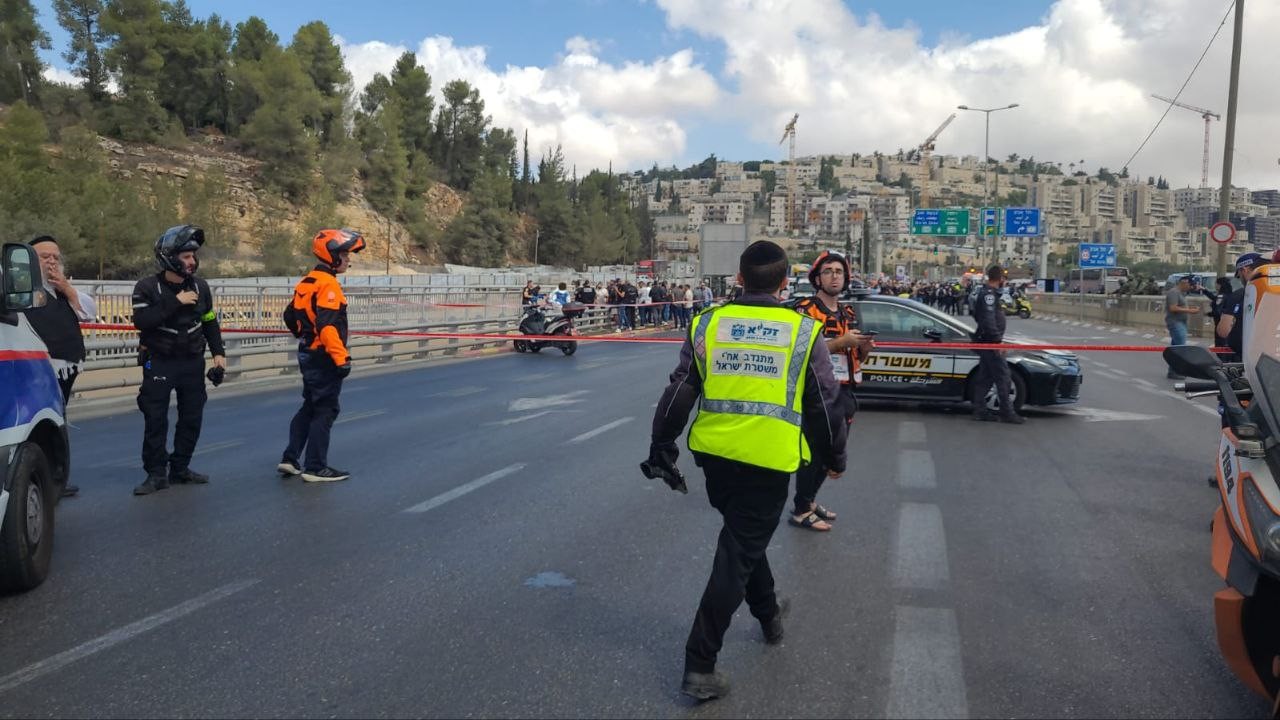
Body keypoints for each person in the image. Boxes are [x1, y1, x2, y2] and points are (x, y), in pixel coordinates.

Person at [644, 240, 848, 701]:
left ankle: (769, 615)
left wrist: (662, 445)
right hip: (768, 462)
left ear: (739, 278)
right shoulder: (803, 332)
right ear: (784, 283)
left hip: (716, 460)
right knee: (735, 556)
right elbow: (825, 406)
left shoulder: (708, 323)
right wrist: (835, 458)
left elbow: (680, 389)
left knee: (743, 540)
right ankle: (700, 664)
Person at [131, 225, 226, 496]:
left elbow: (209, 321)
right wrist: (176, 301)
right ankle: (156, 474)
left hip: (192, 362)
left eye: (193, 256)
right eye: (186, 256)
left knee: (192, 417)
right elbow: (142, 321)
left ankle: (180, 468)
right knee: (155, 418)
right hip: (159, 361)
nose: (192, 261)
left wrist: (218, 354)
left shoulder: (201, 287)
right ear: (170, 257)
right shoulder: (147, 287)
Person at [790, 251, 872, 531]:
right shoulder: (804, 309)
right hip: (817, 392)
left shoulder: (848, 312)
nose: (834, 276)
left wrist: (863, 349)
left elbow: (857, 357)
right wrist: (840, 343)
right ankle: (801, 508)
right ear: (817, 278)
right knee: (815, 452)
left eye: (839, 271)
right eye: (828, 271)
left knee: (834, 451)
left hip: (846, 390)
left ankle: (810, 500)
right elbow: (799, 352)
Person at [279, 229, 366, 483]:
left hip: (308, 352)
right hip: (324, 356)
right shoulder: (328, 285)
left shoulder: (307, 281)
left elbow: (289, 315)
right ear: (332, 255)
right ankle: (315, 467)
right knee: (326, 409)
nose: (348, 259)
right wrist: (341, 358)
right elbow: (327, 326)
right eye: (345, 254)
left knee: (310, 406)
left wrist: (304, 335)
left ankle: (290, 458)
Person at [21, 235, 96, 498]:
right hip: (37, 368)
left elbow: (89, 312)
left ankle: (56, 477)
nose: (51, 261)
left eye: (55, 257)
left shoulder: (62, 290)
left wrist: (65, 287)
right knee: (38, 425)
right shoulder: (20, 289)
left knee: (57, 421)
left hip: (65, 366)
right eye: (45, 257)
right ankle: (40, 479)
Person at [970, 264, 1024, 424]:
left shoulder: (988, 293)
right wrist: (997, 341)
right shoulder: (989, 295)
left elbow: (980, 316)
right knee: (1004, 377)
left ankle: (979, 410)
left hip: (987, 340)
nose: (1005, 282)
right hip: (991, 342)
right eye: (1004, 279)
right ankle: (1007, 412)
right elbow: (988, 320)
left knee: (985, 378)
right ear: (1000, 279)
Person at [1164, 275, 1200, 379]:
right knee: (1180, 348)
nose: (1190, 287)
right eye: (1190, 284)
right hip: (1175, 322)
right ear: (1184, 282)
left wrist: (1190, 308)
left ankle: (1172, 371)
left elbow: (1180, 306)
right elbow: (1173, 308)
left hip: (1181, 322)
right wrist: (1190, 311)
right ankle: (1176, 371)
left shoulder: (1181, 294)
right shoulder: (1174, 292)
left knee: (1175, 348)